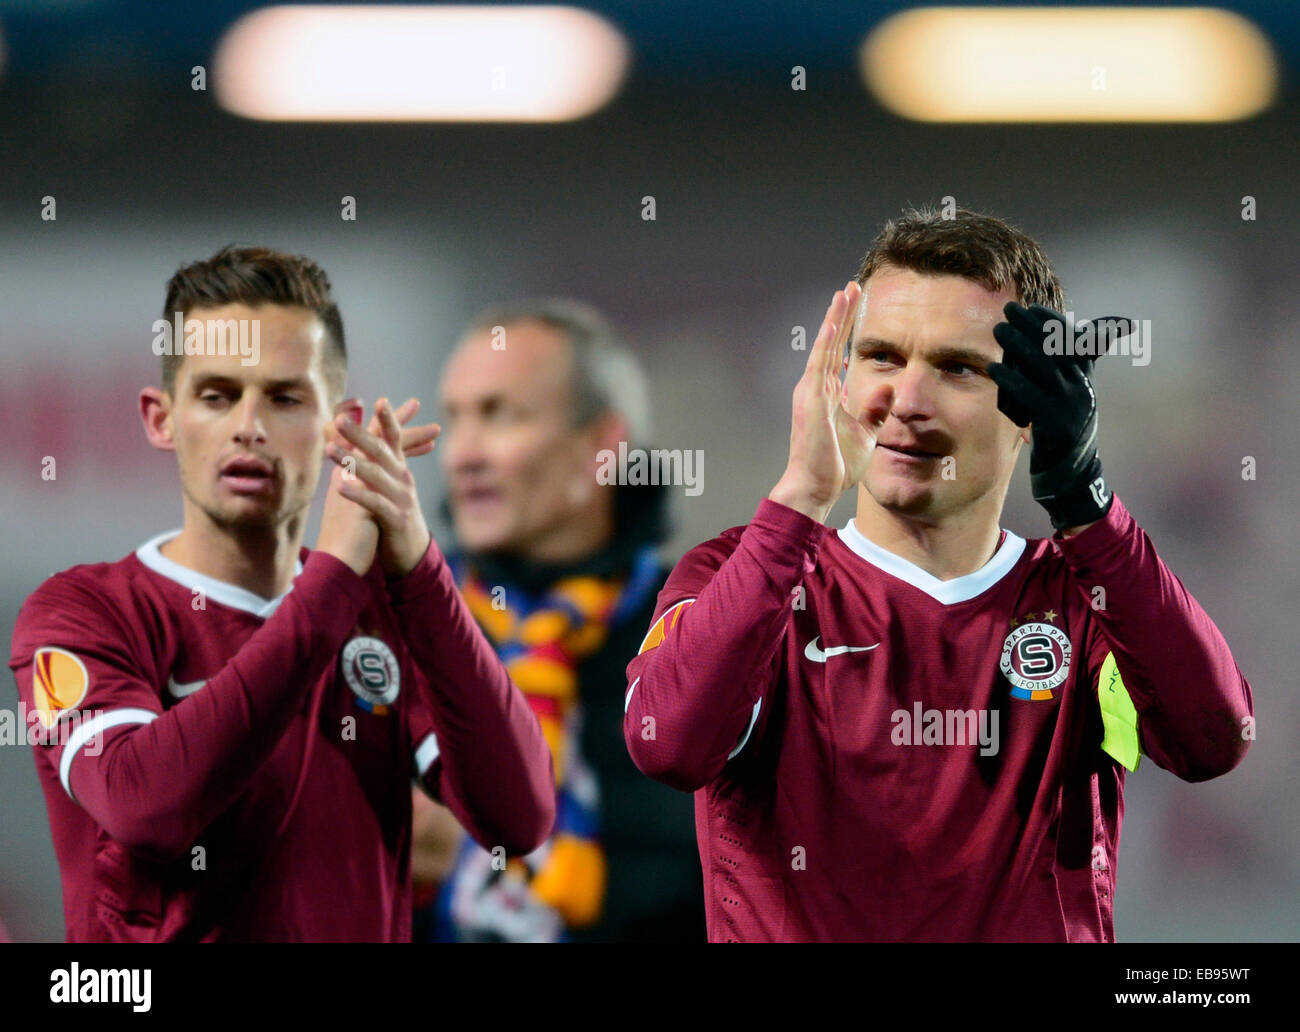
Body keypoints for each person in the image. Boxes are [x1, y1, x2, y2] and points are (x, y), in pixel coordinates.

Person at [624, 206, 1254, 942]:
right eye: (883, 358)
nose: (907, 402)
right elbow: (665, 743)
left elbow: (1213, 740)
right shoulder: (741, 573)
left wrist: (1084, 498)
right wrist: (799, 499)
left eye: (957, 368)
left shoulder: (1087, 599)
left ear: (1030, 406)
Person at [8, 245, 554, 942]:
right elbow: (145, 805)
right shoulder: (84, 612)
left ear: (342, 424)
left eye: (285, 397)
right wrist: (331, 583)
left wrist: (418, 567)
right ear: (160, 417)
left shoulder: (388, 612)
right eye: (217, 395)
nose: (250, 426)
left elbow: (520, 818)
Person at [411, 300, 704, 942]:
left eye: (499, 415)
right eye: (454, 418)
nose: (463, 455)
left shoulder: (700, 638)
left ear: (602, 446)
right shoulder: (404, 636)